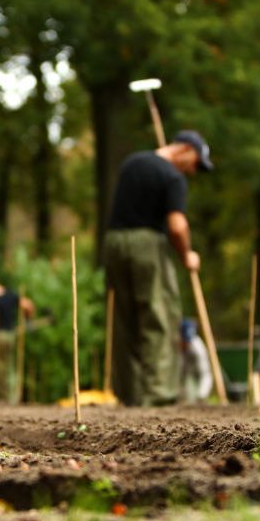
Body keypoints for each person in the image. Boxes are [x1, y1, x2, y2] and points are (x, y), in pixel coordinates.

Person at [104, 130, 213, 407]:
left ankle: (130, 393)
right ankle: (159, 393)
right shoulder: (172, 177)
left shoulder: (132, 162)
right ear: (186, 149)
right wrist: (187, 255)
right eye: (196, 163)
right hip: (147, 245)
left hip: (114, 242)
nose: (193, 171)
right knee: (158, 315)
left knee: (125, 316)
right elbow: (177, 226)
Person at [0, 272, 34, 402]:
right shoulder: (10, 295)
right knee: (8, 366)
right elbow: (28, 305)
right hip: (10, 335)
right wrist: (28, 320)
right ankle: (10, 398)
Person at [179, 318, 213, 403]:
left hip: (197, 365)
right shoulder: (178, 342)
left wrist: (201, 395)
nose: (186, 343)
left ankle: (201, 398)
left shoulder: (198, 348)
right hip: (186, 364)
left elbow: (205, 374)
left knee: (205, 376)